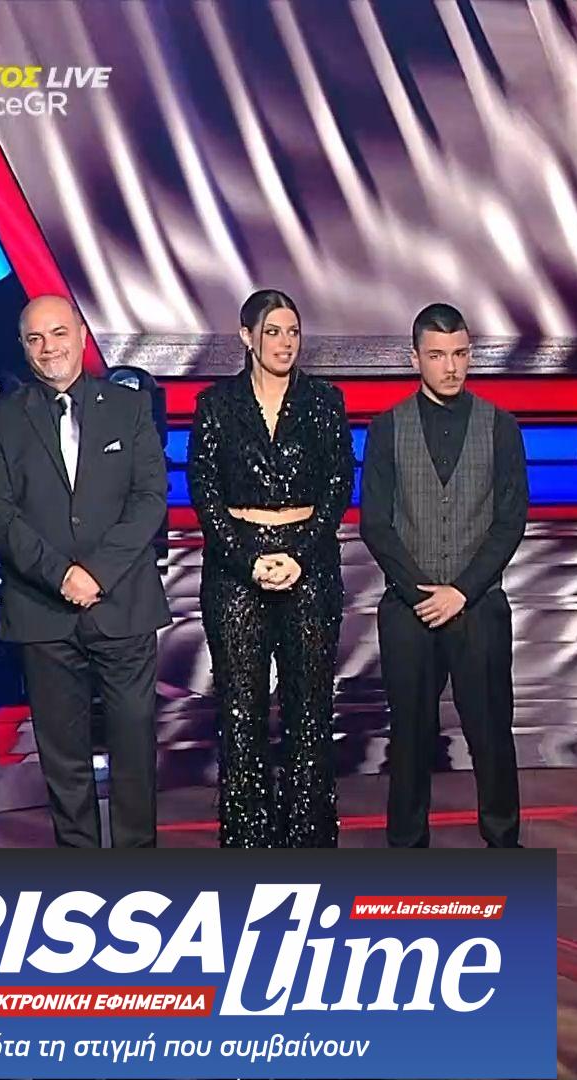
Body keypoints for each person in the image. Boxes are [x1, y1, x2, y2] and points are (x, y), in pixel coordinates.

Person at [0, 295, 170, 848]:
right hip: (43, 609)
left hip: (122, 604)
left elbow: (150, 499)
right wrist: (60, 575)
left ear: (82, 336)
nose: (49, 348)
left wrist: (97, 573)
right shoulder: (2, 418)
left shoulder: (129, 408)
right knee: (62, 757)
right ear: (22, 347)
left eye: (59, 334)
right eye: (35, 339)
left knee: (134, 747)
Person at [188, 289, 353, 848]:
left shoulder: (325, 401)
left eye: (293, 332)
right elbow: (205, 493)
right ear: (247, 337)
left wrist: (298, 554)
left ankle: (308, 839)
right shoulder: (216, 404)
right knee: (241, 711)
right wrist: (249, 559)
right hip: (236, 569)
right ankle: (248, 842)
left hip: (310, 561)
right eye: (273, 332)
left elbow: (338, 487)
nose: (285, 343)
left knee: (310, 708)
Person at [361, 303, 527, 848]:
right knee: (409, 738)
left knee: (492, 736)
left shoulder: (501, 426)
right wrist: (420, 594)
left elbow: (510, 521)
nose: (451, 366)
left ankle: (503, 847)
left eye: (460, 354)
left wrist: (461, 591)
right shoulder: (386, 428)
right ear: (415, 359)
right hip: (407, 611)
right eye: (437, 355)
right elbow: (375, 524)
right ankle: (407, 851)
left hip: (479, 608)